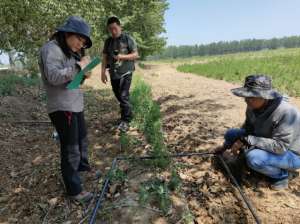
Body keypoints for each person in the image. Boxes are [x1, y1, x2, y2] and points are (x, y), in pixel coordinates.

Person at [39, 16, 94, 203]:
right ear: (68, 33)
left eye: (84, 42)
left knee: (81, 141)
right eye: (80, 39)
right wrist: (79, 67)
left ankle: (81, 171)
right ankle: (74, 190)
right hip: (62, 107)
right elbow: (54, 76)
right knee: (70, 148)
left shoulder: (69, 51)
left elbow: (72, 76)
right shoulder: (51, 49)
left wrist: (84, 71)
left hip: (75, 103)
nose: (81, 45)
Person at [217, 75, 300, 190]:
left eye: (251, 97)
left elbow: (280, 147)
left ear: (265, 97)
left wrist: (247, 140)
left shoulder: (287, 113)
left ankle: (283, 175)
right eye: (246, 96)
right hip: (266, 141)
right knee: (231, 134)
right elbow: (248, 128)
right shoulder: (253, 106)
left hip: (291, 154)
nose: (246, 100)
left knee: (254, 158)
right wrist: (225, 146)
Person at [101, 16, 139, 132]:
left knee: (123, 95)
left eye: (115, 28)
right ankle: (126, 115)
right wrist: (102, 72)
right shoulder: (108, 41)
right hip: (113, 73)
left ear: (120, 27)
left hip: (126, 72)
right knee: (119, 96)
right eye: (110, 29)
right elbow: (104, 57)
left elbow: (135, 54)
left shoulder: (127, 39)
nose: (113, 31)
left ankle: (126, 121)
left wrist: (122, 56)